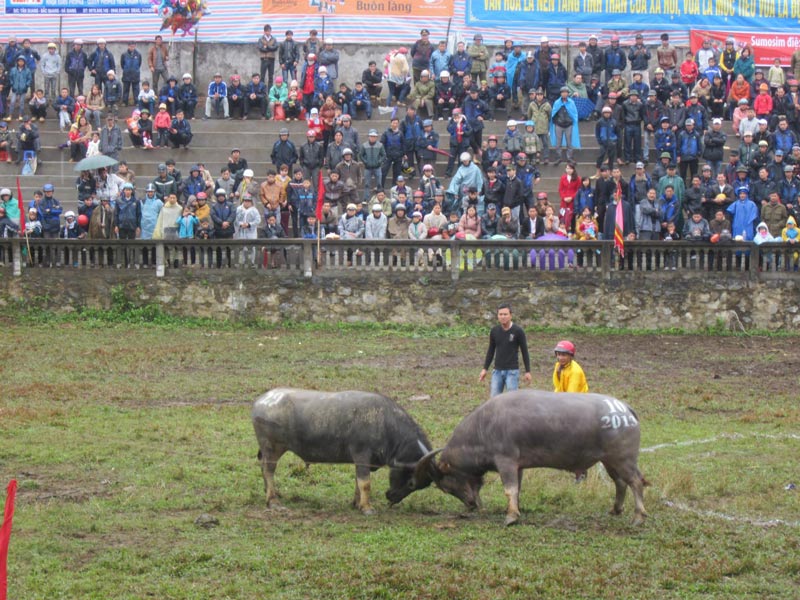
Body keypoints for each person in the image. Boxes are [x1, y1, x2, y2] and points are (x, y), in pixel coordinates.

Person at [479, 303, 532, 398]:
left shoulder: (518, 331)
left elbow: (524, 351)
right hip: (497, 371)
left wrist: (527, 371)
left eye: (505, 314)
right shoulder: (494, 331)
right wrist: (485, 369)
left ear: (511, 315)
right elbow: (491, 350)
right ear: (497, 316)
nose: (503, 317)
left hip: (512, 371)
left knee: (512, 400)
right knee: (494, 399)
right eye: (500, 314)